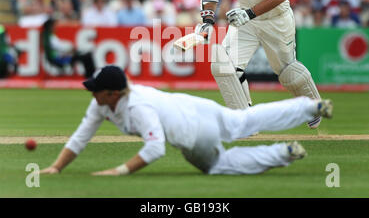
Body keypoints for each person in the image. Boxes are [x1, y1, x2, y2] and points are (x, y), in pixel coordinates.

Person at [40, 65, 333, 176]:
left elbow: (155, 149)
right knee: (245, 119)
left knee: (219, 165)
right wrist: (56, 167)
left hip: (194, 134)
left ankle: (283, 153)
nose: (93, 95)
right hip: (198, 107)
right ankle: (310, 107)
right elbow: (81, 136)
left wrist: (119, 171)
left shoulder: (136, 108)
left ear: (113, 93)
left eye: (97, 91)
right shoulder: (102, 104)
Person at [197, 0, 322, 129]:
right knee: (224, 65)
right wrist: (207, 21)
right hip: (246, 19)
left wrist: (248, 13)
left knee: (287, 71)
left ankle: (312, 107)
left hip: (276, 19)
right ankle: (244, 121)